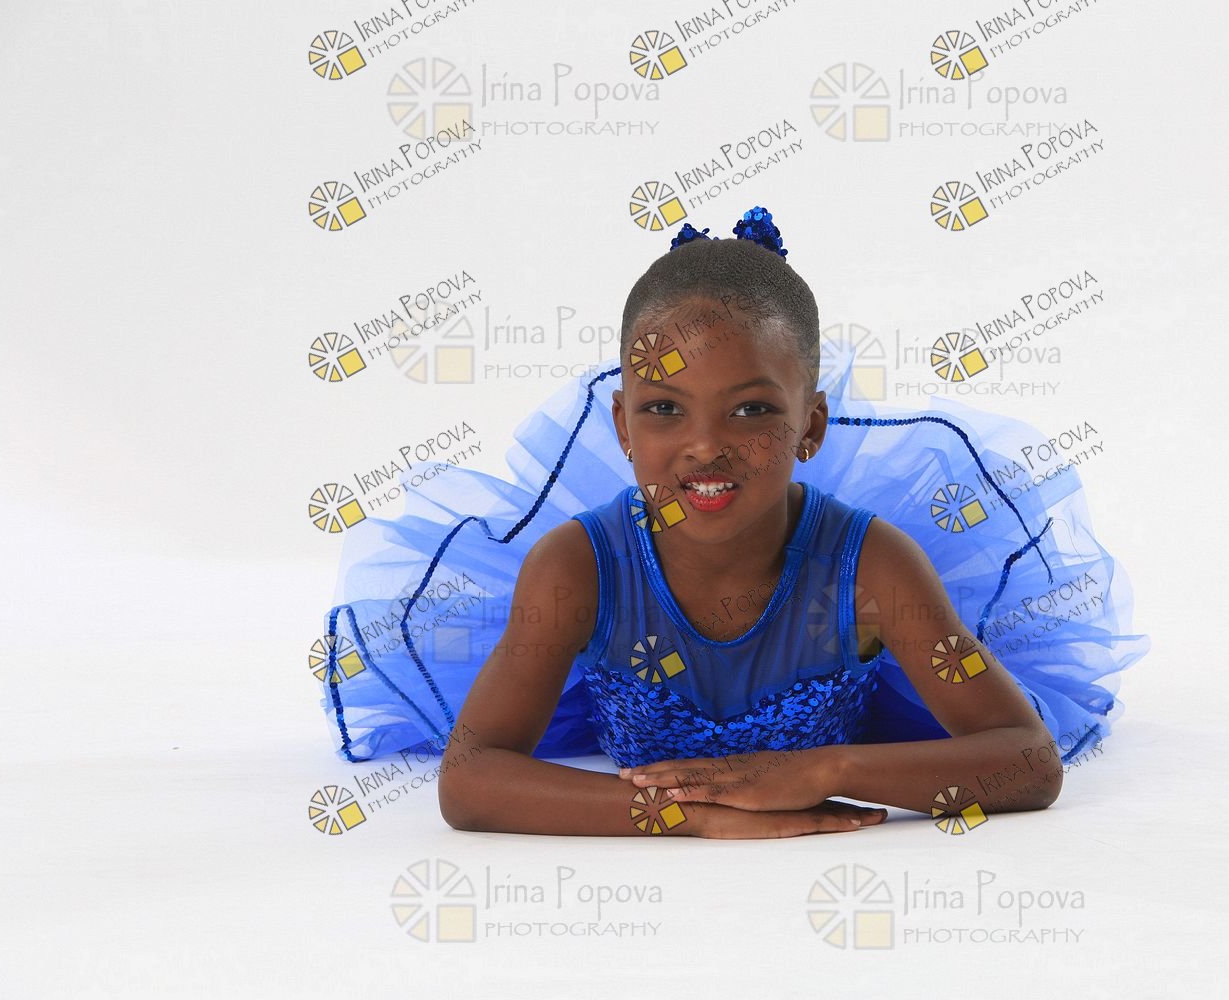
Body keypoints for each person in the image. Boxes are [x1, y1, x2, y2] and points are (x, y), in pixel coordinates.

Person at [318, 206, 1149, 838]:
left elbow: (1028, 763)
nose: (705, 446)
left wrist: (821, 771)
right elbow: (469, 783)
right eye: (664, 409)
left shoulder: (871, 570)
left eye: (752, 409)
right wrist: (689, 816)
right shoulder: (578, 570)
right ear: (622, 426)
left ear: (810, 425)